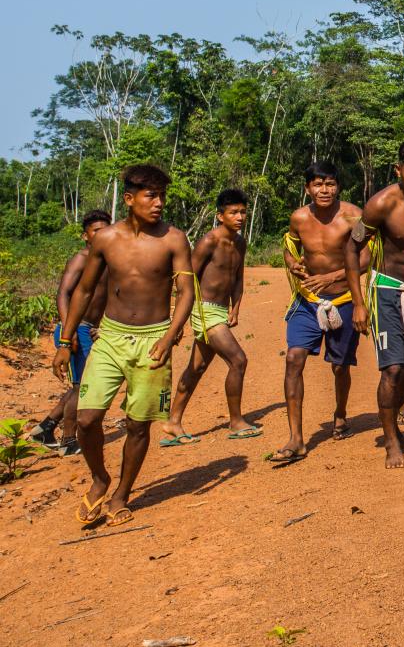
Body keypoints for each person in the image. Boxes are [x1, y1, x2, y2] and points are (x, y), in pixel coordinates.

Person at [53, 165, 195, 528]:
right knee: (86, 418)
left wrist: (170, 336)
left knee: (137, 424)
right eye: (151, 195)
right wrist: (66, 341)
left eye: (162, 195)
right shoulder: (107, 239)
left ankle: (122, 494)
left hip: (153, 340)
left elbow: (186, 293)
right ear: (129, 199)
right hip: (110, 337)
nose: (159, 203)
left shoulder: (174, 239)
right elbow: (84, 290)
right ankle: (100, 478)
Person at [346, 138, 404, 469]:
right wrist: (358, 302)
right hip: (387, 290)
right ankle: (391, 441)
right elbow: (351, 247)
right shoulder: (381, 203)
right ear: (398, 170)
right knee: (394, 368)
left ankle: (391, 411)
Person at [269, 162, 366, 465]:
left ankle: (340, 412)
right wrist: (292, 263)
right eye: (318, 184)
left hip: (344, 298)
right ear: (308, 187)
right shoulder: (298, 217)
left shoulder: (354, 216)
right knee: (293, 358)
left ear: (338, 186)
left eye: (330, 184)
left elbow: (366, 259)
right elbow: (289, 247)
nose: (324, 190)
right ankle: (296, 439)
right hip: (308, 299)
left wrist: (333, 277)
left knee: (340, 366)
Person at [159, 189, 258, 446]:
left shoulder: (240, 243)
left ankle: (173, 421)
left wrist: (235, 307)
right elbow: (187, 278)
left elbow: (238, 277)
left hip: (221, 311)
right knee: (238, 360)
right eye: (233, 212)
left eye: (243, 212)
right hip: (204, 310)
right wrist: (178, 319)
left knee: (197, 367)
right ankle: (236, 421)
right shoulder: (209, 241)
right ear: (220, 215)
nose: (239, 217)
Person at [28, 210, 112, 456]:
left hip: (90, 328)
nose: (102, 234)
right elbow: (63, 294)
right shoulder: (82, 258)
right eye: (97, 230)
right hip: (76, 328)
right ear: (85, 235)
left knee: (79, 385)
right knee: (81, 387)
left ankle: (46, 428)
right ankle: (68, 440)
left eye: (106, 229)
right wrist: (69, 332)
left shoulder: (109, 261)